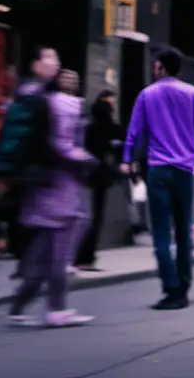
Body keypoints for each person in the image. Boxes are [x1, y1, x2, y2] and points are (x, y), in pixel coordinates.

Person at [121, 47, 194, 311]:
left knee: (161, 232)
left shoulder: (147, 95)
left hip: (158, 171)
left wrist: (127, 160)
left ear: (160, 67)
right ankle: (184, 284)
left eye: (155, 66)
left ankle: (171, 288)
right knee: (184, 231)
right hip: (185, 172)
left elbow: (133, 133)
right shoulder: (193, 94)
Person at [9, 57, 95, 327]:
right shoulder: (59, 105)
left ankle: (19, 305)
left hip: (45, 187)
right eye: (49, 58)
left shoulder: (35, 99)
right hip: (58, 188)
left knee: (42, 251)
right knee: (56, 251)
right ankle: (55, 308)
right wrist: (86, 160)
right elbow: (63, 143)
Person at [74, 90, 122, 271]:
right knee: (95, 218)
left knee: (86, 217)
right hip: (100, 177)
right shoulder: (110, 128)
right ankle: (85, 257)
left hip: (87, 176)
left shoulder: (89, 128)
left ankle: (82, 256)